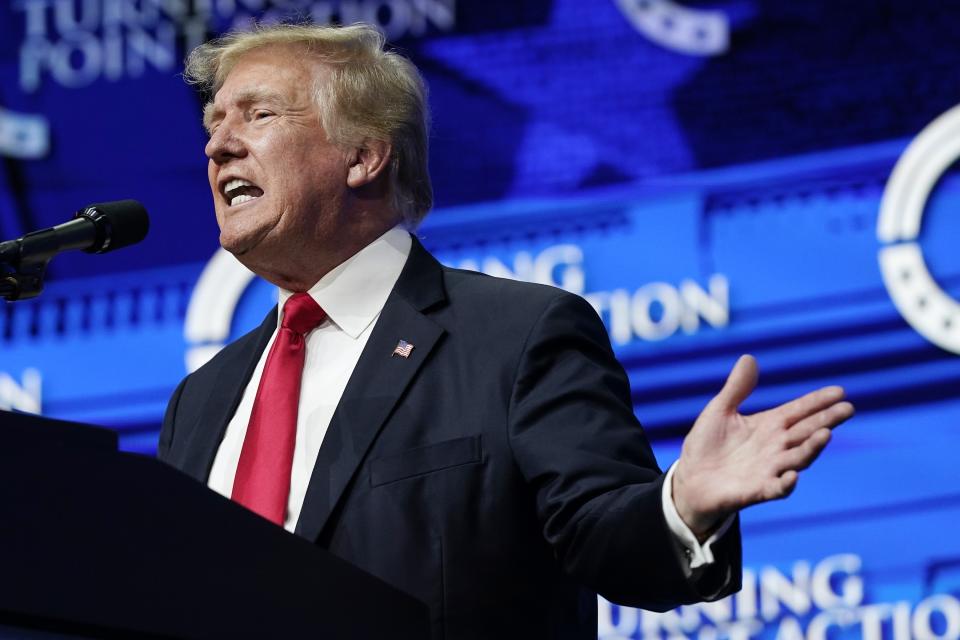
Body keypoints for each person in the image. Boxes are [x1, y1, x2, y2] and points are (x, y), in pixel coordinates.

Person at [158, 22, 854, 639]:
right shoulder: (201, 401)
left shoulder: (517, 336)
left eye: (259, 115)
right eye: (214, 124)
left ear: (364, 156)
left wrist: (681, 506)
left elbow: (604, 536)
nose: (219, 146)